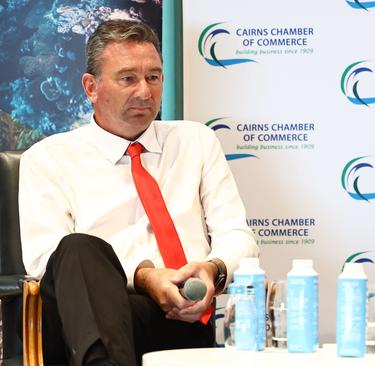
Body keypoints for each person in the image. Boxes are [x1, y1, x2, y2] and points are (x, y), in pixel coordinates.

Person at [18, 19, 258, 366]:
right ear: (91, 87)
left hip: (182, 319)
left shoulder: (197, 141)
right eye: (128, 78)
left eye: (154, 77)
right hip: (84, 324)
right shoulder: (48, 158)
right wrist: (144, 278)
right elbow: (44, 262)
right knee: (78, 248)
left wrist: (212, 269)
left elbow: (238, 234)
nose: (145, 92)